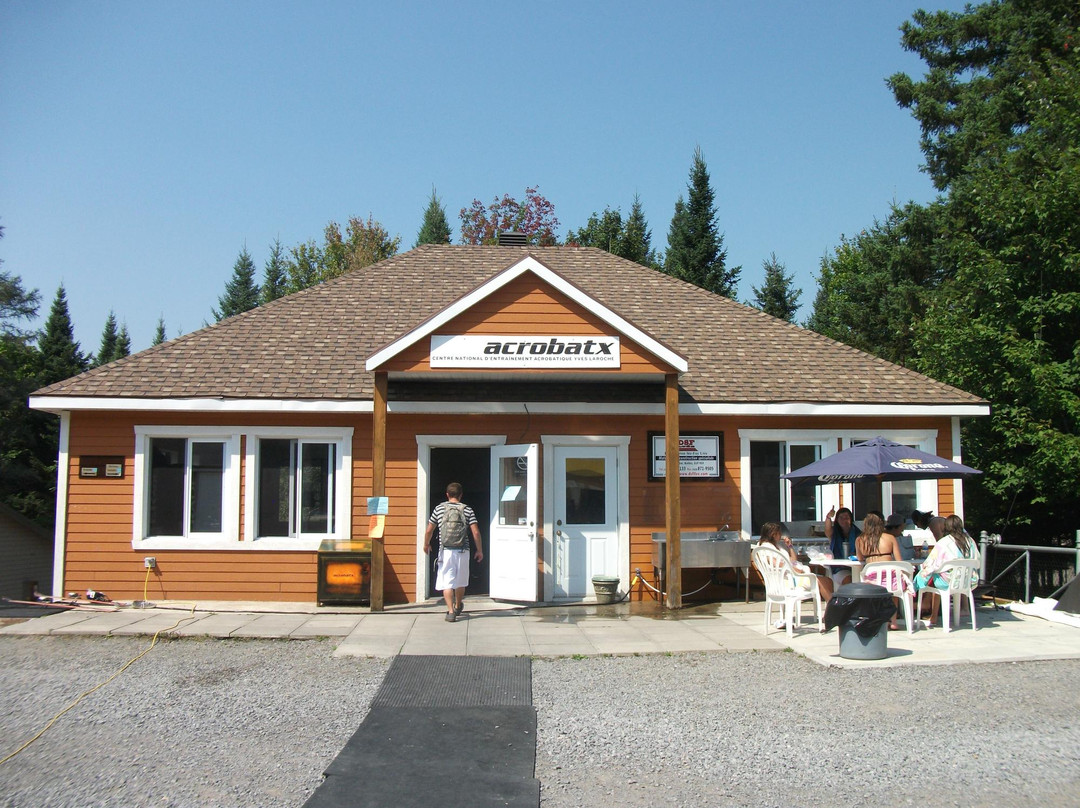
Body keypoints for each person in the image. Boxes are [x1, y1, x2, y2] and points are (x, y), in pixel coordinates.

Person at [423, 482, 484, 622]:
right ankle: (458, 605)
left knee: (447, 582)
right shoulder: (467, 509)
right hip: (463, 550)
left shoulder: (439, 509)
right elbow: (475, 532)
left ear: (447, 495)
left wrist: (426, 544)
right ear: (461, 495)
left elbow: (429, 530)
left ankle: (451, 612)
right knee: (460, 581)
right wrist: (479, 550)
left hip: (445, 551)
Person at [914, 514, 980, 626]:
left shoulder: (944, 542)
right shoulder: (971, 541)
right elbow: (977, 561)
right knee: (940, 574)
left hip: (948, 582)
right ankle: (963, 609)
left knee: (934, 576)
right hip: (968, 582)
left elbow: (930, 562)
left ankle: (932, 616)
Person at [758, 521, 834, 604]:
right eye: (779, 533)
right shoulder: (765, 548)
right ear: (773, 534)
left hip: (794, 576)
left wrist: (790, 546)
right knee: (820, 581)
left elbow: (794, 560)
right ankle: (831, 608)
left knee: (828, 580)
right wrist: (795, 570)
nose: (781, 535)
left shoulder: (778, 547)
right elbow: (775, 562)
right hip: (787, 581)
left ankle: (829, 607)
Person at [856, 512, 906, 630]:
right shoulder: (890, 538)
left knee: (868, 581)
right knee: (894, 589)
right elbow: (899, 561)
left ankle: (875, 618)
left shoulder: (860, 539)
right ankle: (893, 621)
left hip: (872, 581)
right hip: (890, 579)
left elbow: (859, 558)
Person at [823, 506, 861, 586]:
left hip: (857, 566)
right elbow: (827, 530)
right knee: (848, 579)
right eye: (841, 518)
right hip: (839, 568)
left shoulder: (858, 533)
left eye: (847, 517)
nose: (844, 520)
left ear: (851, 519)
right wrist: (828, 517)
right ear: (837, 520)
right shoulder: (834, 532)